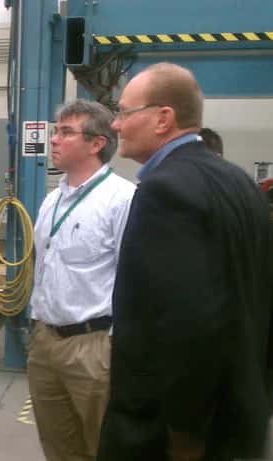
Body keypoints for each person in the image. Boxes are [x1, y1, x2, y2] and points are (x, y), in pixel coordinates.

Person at [98, 62, 271, 461]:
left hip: (173, 435)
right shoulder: (240, 183)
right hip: (240, 415)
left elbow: (186, 322)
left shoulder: (165, 191)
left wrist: (185, 432)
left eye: (124, 112)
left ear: (163, 118)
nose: (116, 126)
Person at [27, 99, 135, 461]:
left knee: (102, 446)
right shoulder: (51, 201)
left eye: (66, 132)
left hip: (94, 345)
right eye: (55, 130)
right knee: (58, 446)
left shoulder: (122, 200)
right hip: (45, 341)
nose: (54, 139)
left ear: (96, 143)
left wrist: (114, 349)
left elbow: (133, 281)